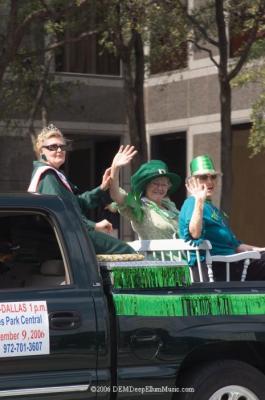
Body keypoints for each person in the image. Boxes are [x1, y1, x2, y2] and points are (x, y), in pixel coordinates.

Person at [28, 124, 135, 255]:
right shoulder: (47, 176)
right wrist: (93, 226)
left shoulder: (54, 175)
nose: (59, 150)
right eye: (53, 147)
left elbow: (78, 204)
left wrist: (102, 188)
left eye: (62, 146)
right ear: (41, 151)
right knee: (126, 251)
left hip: (70, 235)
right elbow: (62, 214)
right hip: (68, 236)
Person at [179, 154, 265, 281]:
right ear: (192, 181)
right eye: (203, 177)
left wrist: (262, 250)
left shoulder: (212, 207)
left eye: (213, 177)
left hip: (232, 265)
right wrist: (199, 202)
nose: (210, 182)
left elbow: (237, 246)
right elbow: (194, 234)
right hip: (217, 269)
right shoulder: (192, 203)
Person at [109, 145, 182, 240]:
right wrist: (115, 168)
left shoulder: (170, 205)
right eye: (155, 183)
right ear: (145, 185)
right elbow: (116, 195)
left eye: (164, 184)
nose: (160, 188)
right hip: (154, 255)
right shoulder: (139, 206)